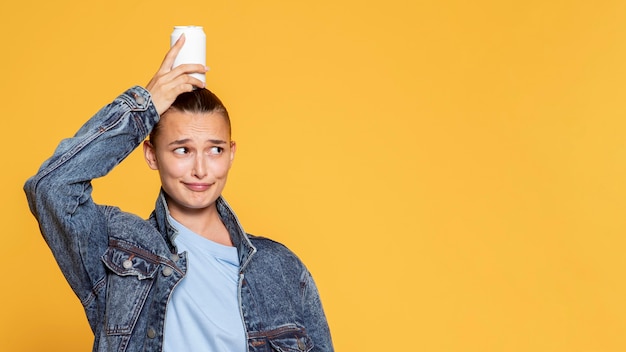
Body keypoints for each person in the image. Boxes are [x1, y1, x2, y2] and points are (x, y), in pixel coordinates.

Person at [24, 34, 333, 352]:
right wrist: (144, 108)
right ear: (152, 155)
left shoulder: (279, 268)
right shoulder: (118, 250)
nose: (201, 169)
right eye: (182, 150)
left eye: (214, 149)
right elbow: (52, 187)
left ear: (230, 154)